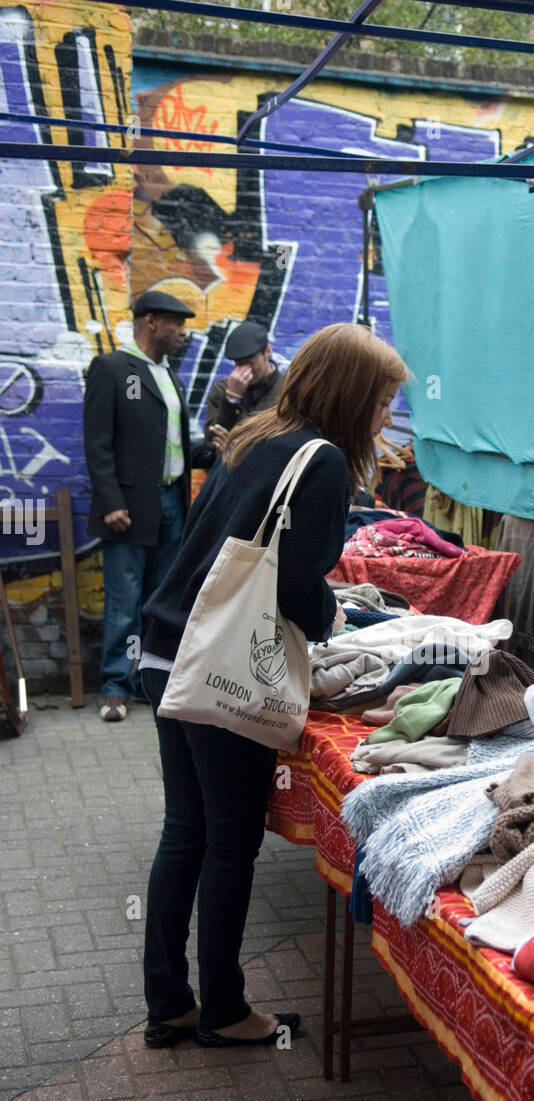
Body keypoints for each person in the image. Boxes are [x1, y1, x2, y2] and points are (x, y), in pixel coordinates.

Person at [137, 323, 409, 1047]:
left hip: (171, 649)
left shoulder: (255, 436)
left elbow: (209, 546)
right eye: (383, 400)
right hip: (225, 668)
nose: (387, 416)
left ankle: (170, 1002)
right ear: (351, 394)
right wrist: (334, 617)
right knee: (229, 842)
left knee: (185, 832)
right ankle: (225, 1012)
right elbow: (293, 585)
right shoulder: (321, 461)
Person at [84, 289, 194, 722]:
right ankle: (117, 686)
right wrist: (111, 501)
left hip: (172, 503)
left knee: (160, 601)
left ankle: (153, 683)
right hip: (127, 509)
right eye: (176, 324)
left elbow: (171, 444)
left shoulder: (172, 378)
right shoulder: (112, 369)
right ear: (151, 321)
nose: (182, 332)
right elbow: (98, 443)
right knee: (125, 601)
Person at [199, 320, 281, 466]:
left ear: (267, 351)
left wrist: (237, 449)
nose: (244, 370)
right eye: (239, 363)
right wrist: (231, 399)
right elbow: (212, 441)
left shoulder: (287, 390)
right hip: (228, 473)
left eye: (249, 362)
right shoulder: (221, 390)